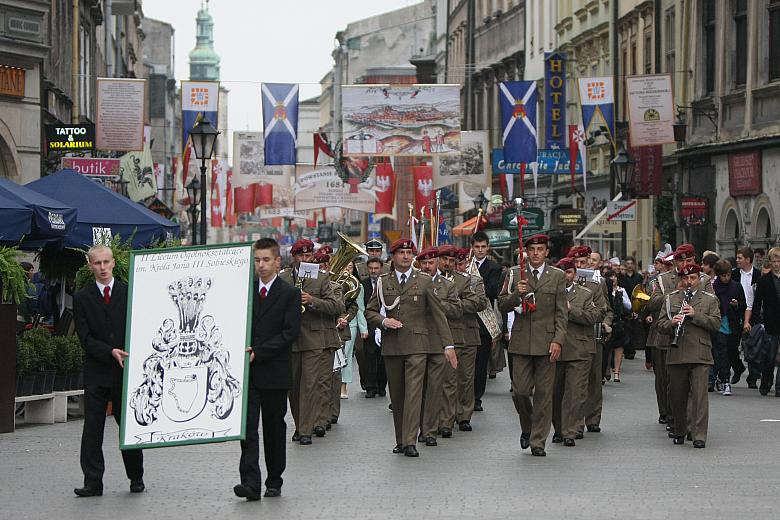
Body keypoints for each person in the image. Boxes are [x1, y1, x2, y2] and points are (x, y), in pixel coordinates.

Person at [364, 238, 457, 458]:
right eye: (401, 252)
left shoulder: (423, 280)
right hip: (392, 345)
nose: (406, 256)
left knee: (414, 393)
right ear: (393, 256)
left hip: (418, 345)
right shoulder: (383, 282)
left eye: (409, 253)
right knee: (397, 396)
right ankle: (400, 439)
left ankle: (409, 441)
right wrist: (383, 321)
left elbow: (438, 314)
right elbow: (370, 311)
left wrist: (448, 345)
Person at [72, 245, 144, 497]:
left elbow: (139, 327)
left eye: (106, 262)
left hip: (125, 372)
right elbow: (85, 338)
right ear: (90, 265)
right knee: (92, 430)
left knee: (128, 427)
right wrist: (109, 351)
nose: (102, 268)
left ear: (113, 263)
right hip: (97, 372)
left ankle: (136, 477)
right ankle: (93, 482)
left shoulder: (129, 292)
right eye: (97, 263)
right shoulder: (81, 298)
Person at [234, 238, 302, 502]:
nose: (260, 265)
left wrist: (259, 351)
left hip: (274, 372)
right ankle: (250, 483)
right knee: (248, 430)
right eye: (257, 260)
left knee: (274, 429)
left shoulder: (289, 293)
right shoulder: (245, 291)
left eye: (265, 260)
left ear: (277, 262)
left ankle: (274, 480)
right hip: (248, 373)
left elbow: (290, 333)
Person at [498, 234, 568, 457]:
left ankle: (538, 441)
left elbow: (561, 313)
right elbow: (502, 305)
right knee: (519, 391)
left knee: (544, 395)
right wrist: (515, 295)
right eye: (532, 249)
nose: (536, 253)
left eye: (540, 249)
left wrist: (558, 340)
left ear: (547, 252)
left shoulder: (557, 276)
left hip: (547, 342)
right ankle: (527, 427)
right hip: (521, 342)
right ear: (526, 252)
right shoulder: (515, 273)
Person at [279, 239, 345, 446]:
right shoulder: (283, 278)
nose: (305, 259)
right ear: (294, 257)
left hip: (315, 339)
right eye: (301, 255)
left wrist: (312, 301)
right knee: (293, 387)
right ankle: (300, 425)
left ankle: (305, 429)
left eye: (308, 255)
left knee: (310, 385)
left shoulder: (322, 277)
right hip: (291, 339)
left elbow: (336, 306)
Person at [656, 263, 720, 448]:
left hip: (700, 353)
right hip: (677, 353)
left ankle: (699, 435)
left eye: (693, 278)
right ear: (681, 280)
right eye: (685, 278)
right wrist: (671, 323)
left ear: (699, 279)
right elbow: (660, 325)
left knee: (700, 396)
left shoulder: (709, 299)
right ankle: (680, 430)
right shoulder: (671, 299)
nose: (689, 282)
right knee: (677, 395)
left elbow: (716, 324)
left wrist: (695, 314)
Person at [436, 244, 487, 438]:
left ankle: (464, 415)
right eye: (445, 260)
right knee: (447, 379)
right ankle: (445, 419)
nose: (448, 264)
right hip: (442, 334)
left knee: (465, 378)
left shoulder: (465, 280)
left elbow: (478, 302)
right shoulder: (432, 280)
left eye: (452, 261)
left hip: (466, 334)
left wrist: (453, 305)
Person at [552, 258, 600, 447]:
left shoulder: (585, 294)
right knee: (555, 393)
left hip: (579, 350)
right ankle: (558, 428)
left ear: (575, 274)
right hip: (556, 348)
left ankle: (570, 431)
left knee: (575, 392)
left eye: (569, 272)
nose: (565, 276)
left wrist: (571, 310)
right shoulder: (550, 293)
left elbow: (594, 316)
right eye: (562, 273)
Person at [416, 247, 461, 446]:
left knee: (435, 388)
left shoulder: (447, 285)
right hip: (417, 340)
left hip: (438, 341)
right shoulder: (413, 282)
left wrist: (435, 303)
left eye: (431, 263)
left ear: (437, 264)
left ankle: (430, 431)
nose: (428, 266)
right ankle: (419, 426)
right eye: (424, 263)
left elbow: (457, 310)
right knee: (418, 388)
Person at [569, 246, 609, 435]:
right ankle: (574, 422)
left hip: (593, 335)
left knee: (593, 380)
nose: (580, 266)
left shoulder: (598, 282)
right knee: (576, 383)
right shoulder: (564, 281)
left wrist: (607, 323)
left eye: (583, 262)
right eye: (576, 263)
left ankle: (593, 419)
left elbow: (606, 310)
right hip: (570, 336)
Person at [471, 231, 502, 412]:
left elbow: (491, 291)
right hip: (467, 318)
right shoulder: (466, 265)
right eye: (477, 247)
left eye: (483, 247)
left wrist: (473, 284)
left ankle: (477, 397)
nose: (480, 250)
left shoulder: (494, 267)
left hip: (484, 319)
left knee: (481, 362)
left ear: (488, 247)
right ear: (472, 248)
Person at [710, 259, 746, 397]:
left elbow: (743, 303)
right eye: (723, 275)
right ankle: (725, 381)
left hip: (733, 325)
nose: (726, 278)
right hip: (718, 324)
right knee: (721, 354)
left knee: (731, 352)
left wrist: (737, 304)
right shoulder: (713, 288)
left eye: (728, 275)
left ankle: (728, 373)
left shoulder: (736, 287)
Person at [749, 247, 780, 396]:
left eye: (779, 261)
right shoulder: (764, 280)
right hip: (770, 322)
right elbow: (757, 302)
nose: (776, 264)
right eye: (774, 261)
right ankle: (766, 382)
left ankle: (779, 386)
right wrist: (756, 320)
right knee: (770, 355)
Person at [340, 261, 368, 399]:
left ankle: (343, 386)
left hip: (351, 324)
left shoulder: (358, 285)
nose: (347, 269)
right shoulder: (331, 282)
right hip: (333, 324)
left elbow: (360, 308)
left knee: (346, 355)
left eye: (350, 267)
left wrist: (363, 328)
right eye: (345, 266)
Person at [734, 246, 761, 387]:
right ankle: (738, 367)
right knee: (733, 345)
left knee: (753, 346)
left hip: (753, 314)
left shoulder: (758, 275)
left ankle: (753, 376)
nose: (737, 260)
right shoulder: (734, 274)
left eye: (740, 258)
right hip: (736, 312)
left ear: (748, 260)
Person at [361, 257, 385, 398]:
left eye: (376, 268)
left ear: (381, 268)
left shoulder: (386, 282)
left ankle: (381, 386)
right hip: (369, 324)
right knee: (369, 357)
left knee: (383, 357)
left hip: (385, 324)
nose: (373, 271)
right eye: (371, 268)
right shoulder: (363, 284)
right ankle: (370, 387)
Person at [605, 269, 631, 382]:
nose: (613, 278)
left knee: (619, 347)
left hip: (620, 322)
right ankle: (606, 369)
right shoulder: (604, 290)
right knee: (607, 348)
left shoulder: (622, 290)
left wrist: (620, 296)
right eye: (610, 276)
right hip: (608, 322)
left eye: (614, 276)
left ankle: (616, 373)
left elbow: (629, 306)